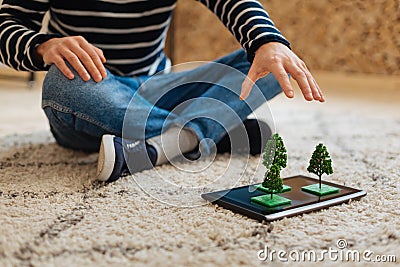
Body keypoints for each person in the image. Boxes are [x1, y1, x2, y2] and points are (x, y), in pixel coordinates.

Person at [0, 0, 324, 183]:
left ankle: (170, 141)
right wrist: (43, 45)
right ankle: (209, 131)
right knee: (59, 83)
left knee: (269, 62)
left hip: (156, 90)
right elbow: (7, 23)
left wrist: (267, 42)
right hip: (91, 97)